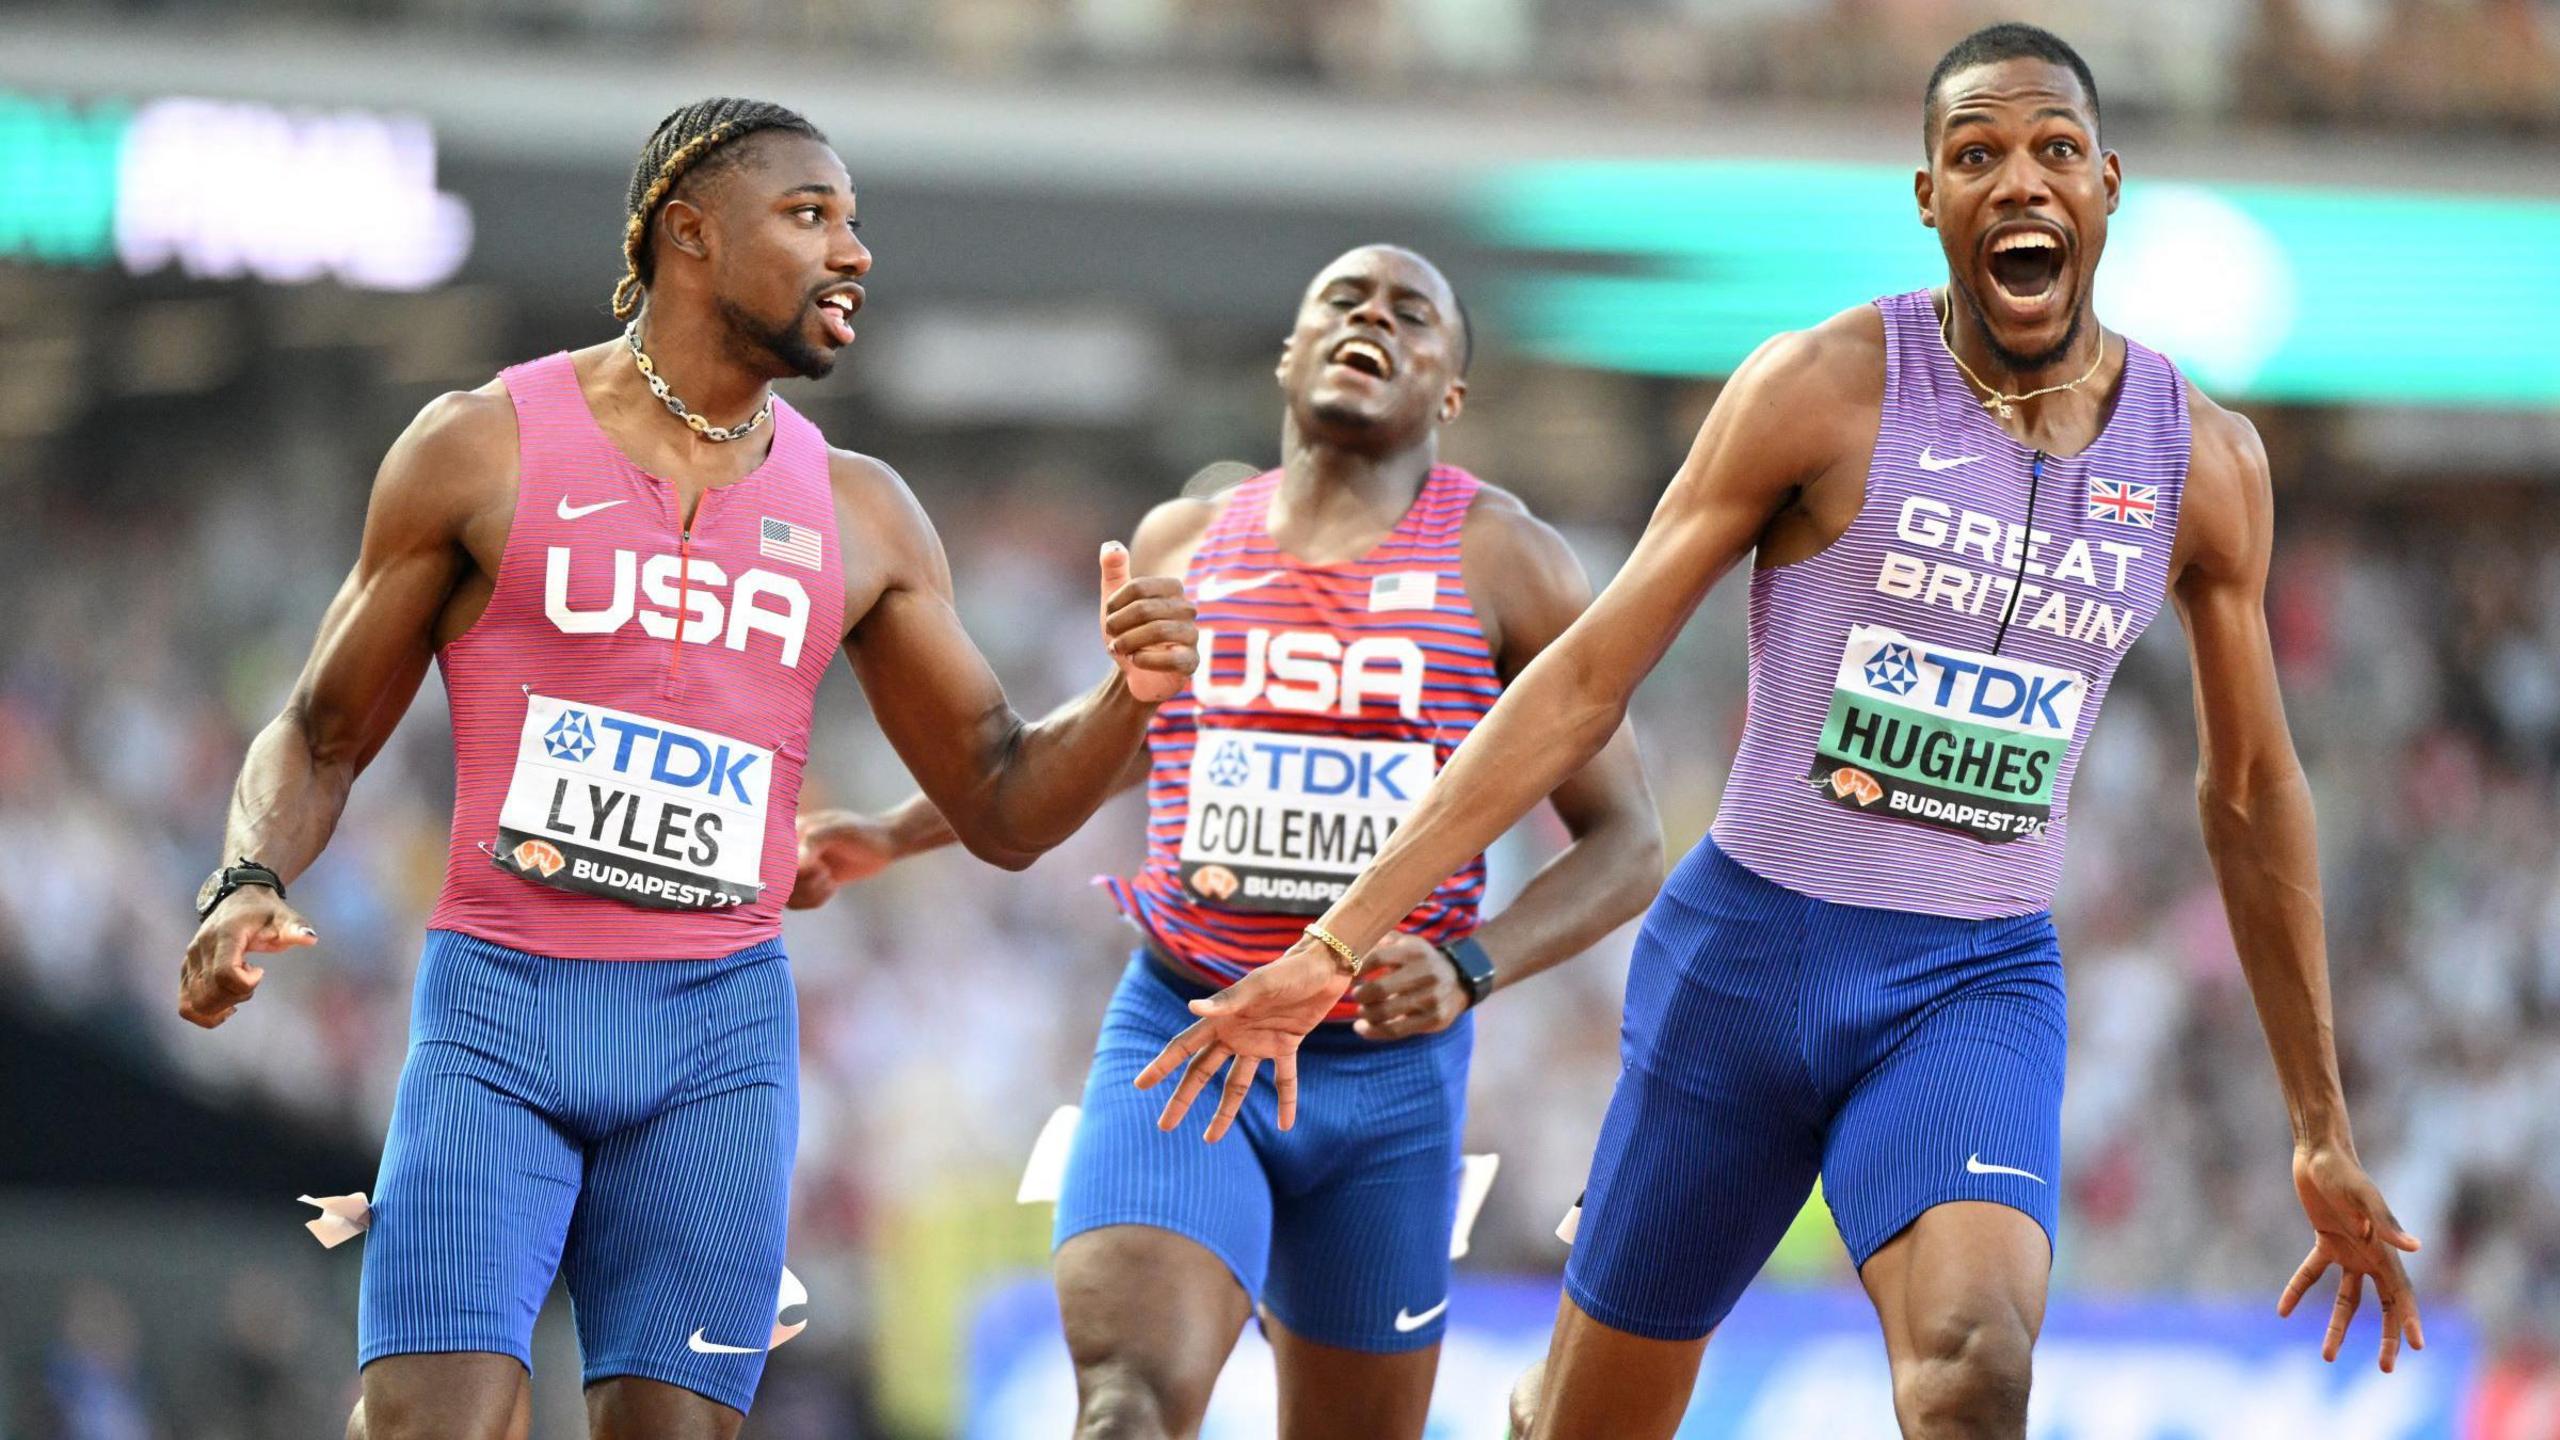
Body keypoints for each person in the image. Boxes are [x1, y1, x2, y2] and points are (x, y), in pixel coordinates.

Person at [1140, 26, 2426, 1439]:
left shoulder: (2205, 462)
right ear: (1927, 197)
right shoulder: (1821, 391)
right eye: (1976, 154)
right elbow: (1577, 685)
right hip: (1746, 966)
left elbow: (2250, 789)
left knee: (1976, 1370)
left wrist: (2320, 1121)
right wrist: (1332, 943)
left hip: (1972, 981)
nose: (2019, 180)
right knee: (1590, 1424)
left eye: (2055, 149)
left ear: (2107, 187)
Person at [173, 97, 1197, 1440]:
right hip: (500, 1020)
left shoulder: (862, 513)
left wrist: (1134, 695)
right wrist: (247, 875)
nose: (856, 252)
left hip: (715, 1045)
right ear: (690, 234)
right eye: (812, 216)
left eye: (856, 222)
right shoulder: (483, 445)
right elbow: (319, 730)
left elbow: (1003, 803)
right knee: (434, 1422)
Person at [795, 244, 1662, 1440]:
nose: (1373, 319)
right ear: (1289, 354)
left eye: (1412, 315)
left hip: (1385, 1079)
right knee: (1124, 1409)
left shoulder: (1508, 562)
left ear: (1449, 392)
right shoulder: (1186, 538)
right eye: (1342, 302)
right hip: (1186, 1036)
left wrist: (1473, 967)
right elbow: (1113, 747)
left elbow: (1627, 844)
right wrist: (894, 834)